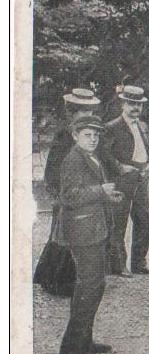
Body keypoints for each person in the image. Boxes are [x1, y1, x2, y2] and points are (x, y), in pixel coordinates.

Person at [57, 115, 124, 354]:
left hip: (93, 229)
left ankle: (85, 341)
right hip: (83, 232)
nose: (93, 139)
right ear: (75, 135)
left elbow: (90, 192)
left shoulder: (90, 157)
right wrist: (101, 191)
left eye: (96, 135)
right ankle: (70, 352)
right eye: (87, 135)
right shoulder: (73, 159)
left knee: (94, 287)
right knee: (88, 288)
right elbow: (69, 196)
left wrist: (108, 197)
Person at [35, 88, 100, 297]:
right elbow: (53, 168)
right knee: (63, 236)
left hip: (83, 191)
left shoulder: (89, 133)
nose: (87, 115)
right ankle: (56, 281)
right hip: (67, 192)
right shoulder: (65, 135)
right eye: (82, 111)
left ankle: (71, 280)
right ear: (72, 112)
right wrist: (59, 193)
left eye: (90, 111)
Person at [99, 85, 149, 277]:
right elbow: (104, 153)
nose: (135, 108)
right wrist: (120, 167)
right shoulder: (111, 127)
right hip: (121, 178)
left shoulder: (144, 126)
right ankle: (118, 265)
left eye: (138, 104)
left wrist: (148, 165)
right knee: (119, 222)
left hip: (140, 177)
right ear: (123, 104)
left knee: (145, 220)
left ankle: (139, 263)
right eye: (131, 103)